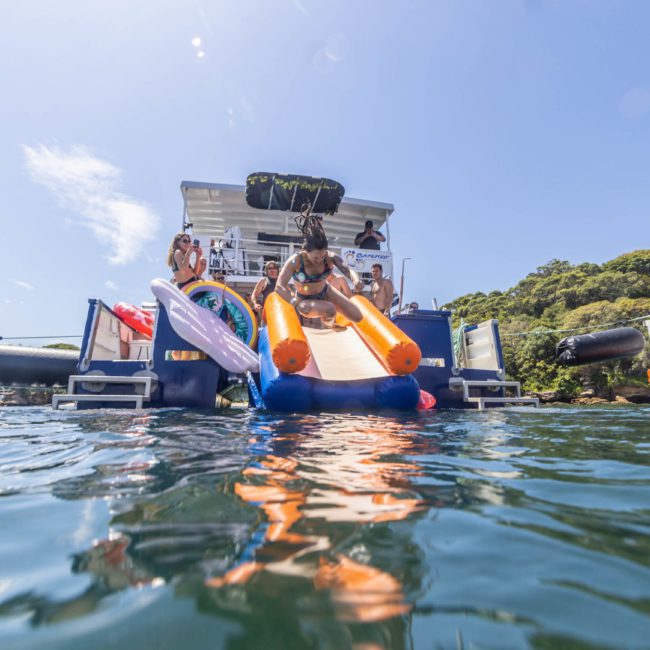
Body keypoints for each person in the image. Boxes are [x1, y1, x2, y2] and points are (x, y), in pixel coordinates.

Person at [276, 214, 364, 329]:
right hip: (304, 300)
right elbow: (279, 286)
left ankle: (328, 320)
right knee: (330, 309)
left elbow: (348, 270)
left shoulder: (330, 257)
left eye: (322, 256)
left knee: (357, 316)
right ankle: (329, 325)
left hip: (326, 291)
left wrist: (356, 280)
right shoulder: (296, 260)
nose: (319, 260)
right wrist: (294, 302)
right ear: (306, 251)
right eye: (315, 257)